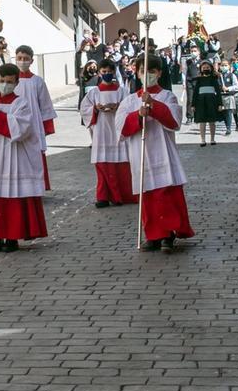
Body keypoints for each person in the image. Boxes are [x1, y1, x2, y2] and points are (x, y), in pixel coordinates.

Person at [116, 54, 194, 252]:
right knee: (148, 196)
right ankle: (153, 235)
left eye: (151, 71)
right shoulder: (129, 101)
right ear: (137, 72)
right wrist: (138, 115)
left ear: (159, 73)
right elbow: (121, 128)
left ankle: (168, 234)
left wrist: (153, 106)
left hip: (162, 151)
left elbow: (174, 121)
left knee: (165, 194)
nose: (147, 74)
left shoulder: (167, 96)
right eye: (143, 71)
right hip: (140, 153)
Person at [0, 63, 48, 251]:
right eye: (2, 81)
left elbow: (22, 128)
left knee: (13, 199)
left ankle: (12, 237)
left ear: (16, 83)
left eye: (9, 82)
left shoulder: (21, 103)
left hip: (15, 156)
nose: (5, 85)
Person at [79, 59, 136, 207]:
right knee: (103, 165)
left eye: (110, 72)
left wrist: (117, 106)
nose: (107, 74)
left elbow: (130, 108)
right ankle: (103, 197)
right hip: (102, 131)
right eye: (104, 72)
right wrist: (96, 109)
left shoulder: (122, 91)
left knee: (121, 166)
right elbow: (84, 109)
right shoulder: (94, 92)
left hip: (118, 131)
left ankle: (122, 196)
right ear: (99, 73)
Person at [13, 45, 58, 191]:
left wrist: (46, 127)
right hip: (14, 123)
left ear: (31, 61)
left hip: (34, 124)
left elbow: (45, 105)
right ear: (15, 59)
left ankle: (35, 187)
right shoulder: (10, 80)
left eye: (26, 59)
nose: (22, 61)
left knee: (34, 155)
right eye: (19, 58)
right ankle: (18, 187)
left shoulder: (37, 81)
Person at [191, 60, 223, 146]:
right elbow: (195, 93)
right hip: (201, 102)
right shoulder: (199, 80)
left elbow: (218, 92)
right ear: (201, 69)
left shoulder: (214, 79)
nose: (206, 69)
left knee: (212, 121)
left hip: (212, 101)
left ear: (211, 68)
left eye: (207, 67)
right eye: (204, 68)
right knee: (202, 121)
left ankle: (212, 139)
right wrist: (193, 104)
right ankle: (203, 139)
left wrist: (220, 104)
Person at [217, 61, 238, 136]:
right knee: (223, 113)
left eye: (225, 65)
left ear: (229, 66)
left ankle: (228, 128)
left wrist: (228, 88)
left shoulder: (232, 75)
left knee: (228, 112)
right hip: (221, 96)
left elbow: (236, 86)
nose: (224, 67)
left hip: (229, 96)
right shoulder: (219, 76)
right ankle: (226, 125)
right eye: (222, 65)